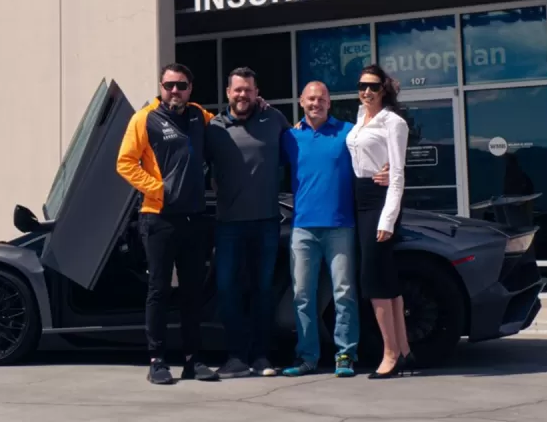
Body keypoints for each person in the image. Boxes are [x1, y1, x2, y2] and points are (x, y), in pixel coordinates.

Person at [116, 63, 219, 385]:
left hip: (194, 220)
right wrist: (158, 189)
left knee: (191, 293)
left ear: (191, 88)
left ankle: (193, 361)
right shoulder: (144, 119)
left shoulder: (200, 117)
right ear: (161, 86)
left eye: (182, 85)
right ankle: (156, 360)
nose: (175, 91)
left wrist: (259, 106)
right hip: (157, 218)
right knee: (158, 290)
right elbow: (125, 162)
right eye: (169, 85)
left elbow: (229, 130)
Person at [280, 81, 389, 379]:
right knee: (303, 295)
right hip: (302, 228)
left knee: (345, 293)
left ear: (330, 102)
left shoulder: (347, 133)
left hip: (341, 226)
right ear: (301, 101)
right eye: (310, 99)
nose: (316, 103)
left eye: (322, 99)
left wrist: (390, 168)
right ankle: (307, 357)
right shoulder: (290, 136)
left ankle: (345, 355)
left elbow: (377, 151)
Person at [204, 67, 290, 379]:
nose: (243, 95)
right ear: (228, 93)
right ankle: (236, 357)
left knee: (262, 290)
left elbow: (302, 153)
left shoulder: (274, 120)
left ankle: (261, 356)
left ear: (257, 93)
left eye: (248, 90)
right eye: (237, 90)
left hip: (266, 223)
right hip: (228, 225)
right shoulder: (213, 127)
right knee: (227, 290)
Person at [345, 64, 412, 379]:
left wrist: (388, 218)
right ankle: (404, 349)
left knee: (373, 281)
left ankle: (390, 353)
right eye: (362, 86)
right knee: (387, 279)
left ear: (383, 89)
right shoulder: (361, 118)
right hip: (360, 199)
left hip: (379, 203)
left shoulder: (393, 122)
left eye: (372, 86)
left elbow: (397, 174)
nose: (366, 92)